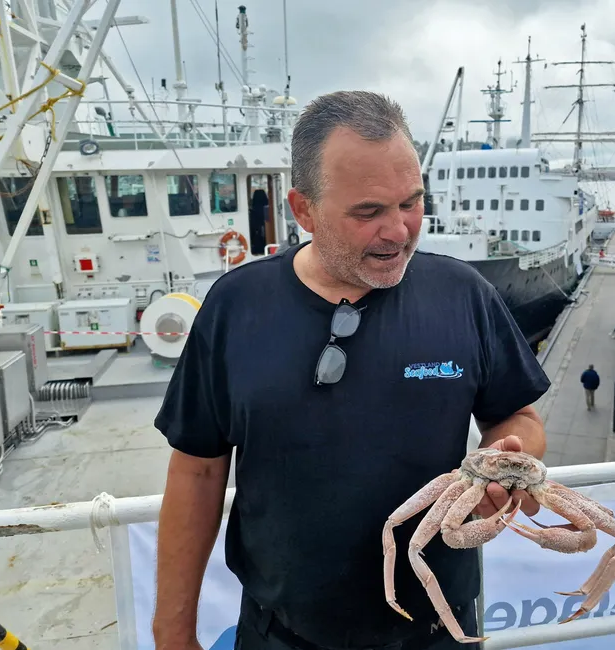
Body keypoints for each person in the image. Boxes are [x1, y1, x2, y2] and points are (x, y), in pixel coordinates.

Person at [151, 90, 552, 650]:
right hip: (280, 636)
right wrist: (172, 633)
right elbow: (196, 472)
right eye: (369, 212)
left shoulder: (464, 295)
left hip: (439, 633)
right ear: (303, 209)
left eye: (411, 202)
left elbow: (519, 414)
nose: (399, 230)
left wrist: (512, 454)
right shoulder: (235, 306)